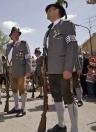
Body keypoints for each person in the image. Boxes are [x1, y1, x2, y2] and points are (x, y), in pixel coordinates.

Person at [45, 3, 78, 132]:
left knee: (68, 97)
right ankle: (61, 125)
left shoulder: (66, 24)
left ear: (57, 11)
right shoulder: (50, 29)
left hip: (64, 69)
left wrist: (69, 68)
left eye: (49, 10)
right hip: (53, 70)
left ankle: (74, 128)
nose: (47, 12)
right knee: (57, 97)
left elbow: (72, 46)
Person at [6, 26, 31, 117]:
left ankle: (23, 109)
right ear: (11, 36)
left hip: (21, 70)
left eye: (17, 34)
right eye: (14, 34)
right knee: (14, 89)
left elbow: (28, 57)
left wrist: (28, 69)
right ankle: (16, 107)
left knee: (22, 90)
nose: (16, 35)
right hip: (11, 71)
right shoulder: (8, 46)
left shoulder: (23, 44)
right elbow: (8, 59)